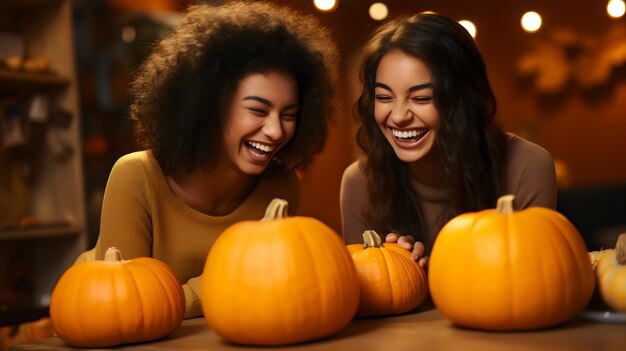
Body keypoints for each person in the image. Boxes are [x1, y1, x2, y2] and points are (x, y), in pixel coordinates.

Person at [75, 1, 339, 318]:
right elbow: (125, 310)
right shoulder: (136, 176)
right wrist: (223, 283)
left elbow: (274, 295)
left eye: (290, 115)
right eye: (257, 110)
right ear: (209, 105)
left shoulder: (282, 186)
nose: (275, 130)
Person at [340, 13, 556, 266]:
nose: (398, 116)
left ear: (463, 99)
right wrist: (399, 267)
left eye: (421, 98)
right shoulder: (360, 183)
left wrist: (440, 273)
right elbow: (368, 292)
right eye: (384, 97)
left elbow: (532, 282)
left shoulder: (526, 166)